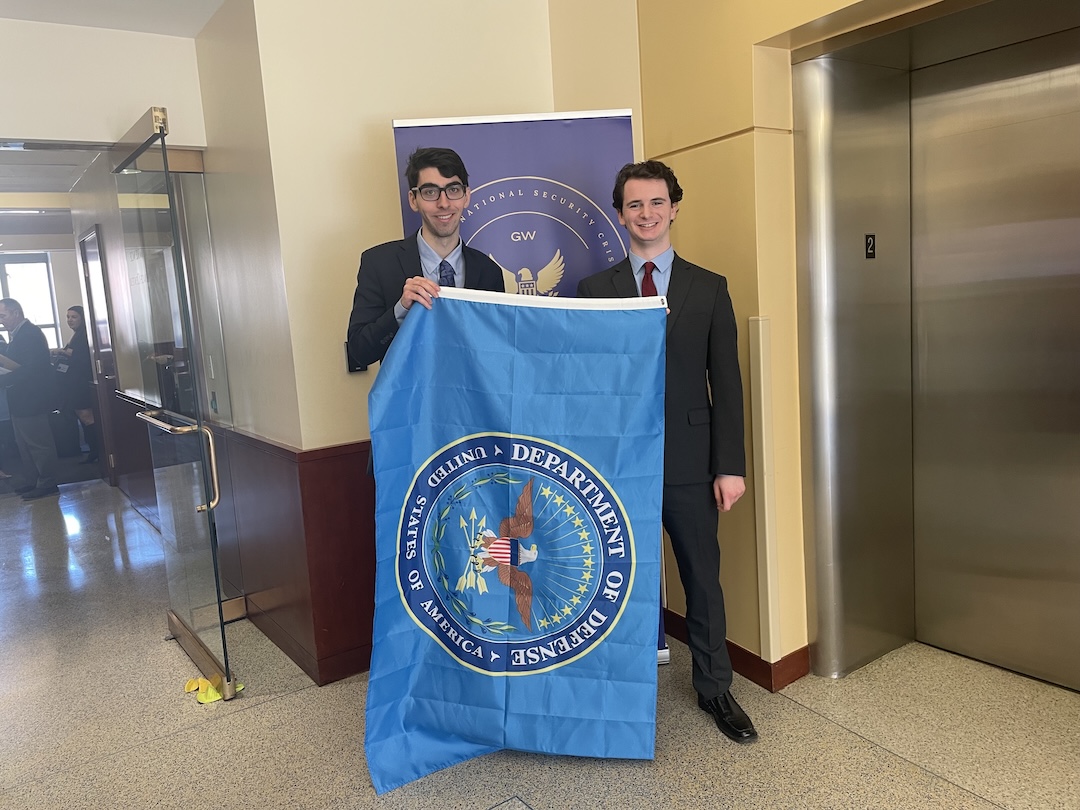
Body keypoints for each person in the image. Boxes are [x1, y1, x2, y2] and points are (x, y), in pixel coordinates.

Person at [577, 161, 757, 744]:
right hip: (617, 464)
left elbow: (726, 382)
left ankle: (715, 687)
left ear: (674, 208)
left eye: (657, 202)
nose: (647, 214)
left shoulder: (709, 287)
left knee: (702, 579)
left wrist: (729, 466)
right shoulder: (593, 291)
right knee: (617, 582)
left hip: (690, 462)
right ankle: (616, 689)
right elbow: (584, 383)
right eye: (634, 204)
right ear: (620, 213)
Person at [346, 146, 504, 368]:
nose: (444, 203)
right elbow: (359, 352)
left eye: (453, 190)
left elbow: (498, 352)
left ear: (466, 196)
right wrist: (401, 310)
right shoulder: (379, 263)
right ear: (413, 199)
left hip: (470, 391)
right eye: (430, 192)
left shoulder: (488, 271)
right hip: (408, 391)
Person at [0, 298, 60, 500]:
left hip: (31, 399)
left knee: (39, 444)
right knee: (24, 444)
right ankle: (34, 480)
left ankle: (47, 483)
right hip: (20, 400)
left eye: (3, 316)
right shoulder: (17, 335)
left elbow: (31, 369)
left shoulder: (30, 334)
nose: (1, 321)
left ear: (16, 313)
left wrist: (4, 378)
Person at [52, 305, 99, 464]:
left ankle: (97, 451)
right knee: (83, 417)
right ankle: (94, 450)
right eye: (68, 317)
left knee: (87, 416)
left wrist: (61, 351)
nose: (70, 320)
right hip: (74, 383)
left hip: (81, 383)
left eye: (74, 317)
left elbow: (80, 356)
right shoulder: (77, 335)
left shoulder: (84, 335)